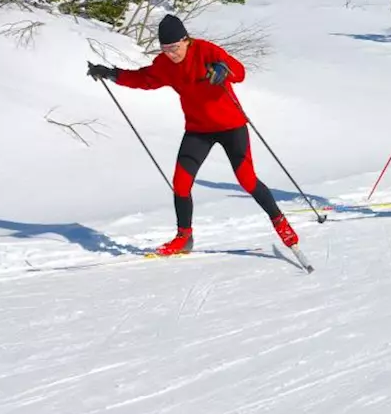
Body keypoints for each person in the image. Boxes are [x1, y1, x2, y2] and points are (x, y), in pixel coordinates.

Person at [86, 14, 299, 257]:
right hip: (198, 129)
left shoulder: (207, 51)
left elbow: (239, 72)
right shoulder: (165, 64)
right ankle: (184, 237)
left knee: (247, 179)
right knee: (181, 183)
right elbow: (145, 79)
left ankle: (280, 222)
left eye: (175, 48)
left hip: (231, 126)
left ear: (186, 40)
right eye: (165, 49)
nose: (171, 54)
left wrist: (223, 70)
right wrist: (112, 74)